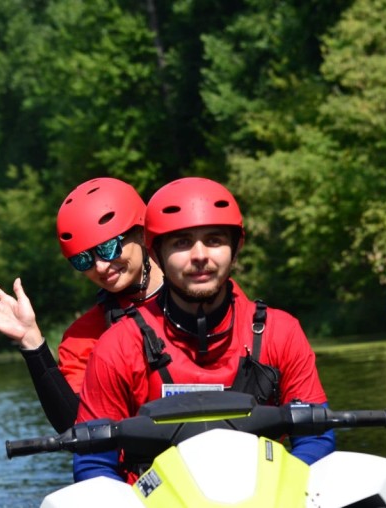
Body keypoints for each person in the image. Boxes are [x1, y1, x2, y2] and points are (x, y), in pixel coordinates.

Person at [73, 177, 336, 483]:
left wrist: (282, 491)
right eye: (182, 242)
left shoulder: (281, 332)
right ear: (156, 254)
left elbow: (315, 440)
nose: (199, 256)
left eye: (214, 240)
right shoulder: (116, 346)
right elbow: (94, 465)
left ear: (236, 249)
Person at [0, 177, 164, 432]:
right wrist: (32, 342)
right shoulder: (82, 338)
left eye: (108, 247)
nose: (100, 267)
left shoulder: (207, 296)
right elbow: (74, 427)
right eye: (83, 260)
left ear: (142, 232)